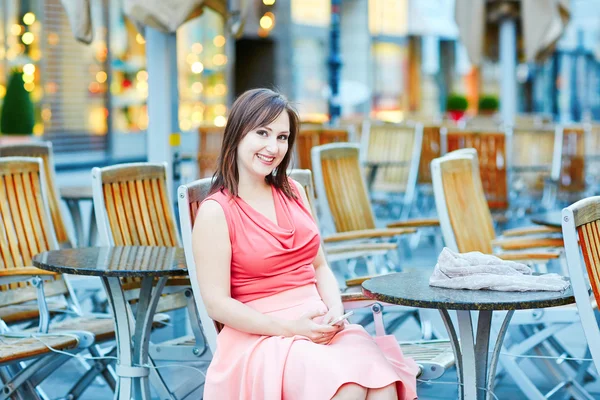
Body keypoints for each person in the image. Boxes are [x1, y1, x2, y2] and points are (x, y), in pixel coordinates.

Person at [192, 88, 418, 400]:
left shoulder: (294, 191)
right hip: (262, 335)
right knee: (347, 388)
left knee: (381, 382)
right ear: (237, 134)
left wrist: (335, 311)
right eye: (263, 133)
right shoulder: (216, 211)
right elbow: (217, 304)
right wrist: (292, 328)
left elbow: (320, 265)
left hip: (318, 326)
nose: (273, 147)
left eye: (282, 137)